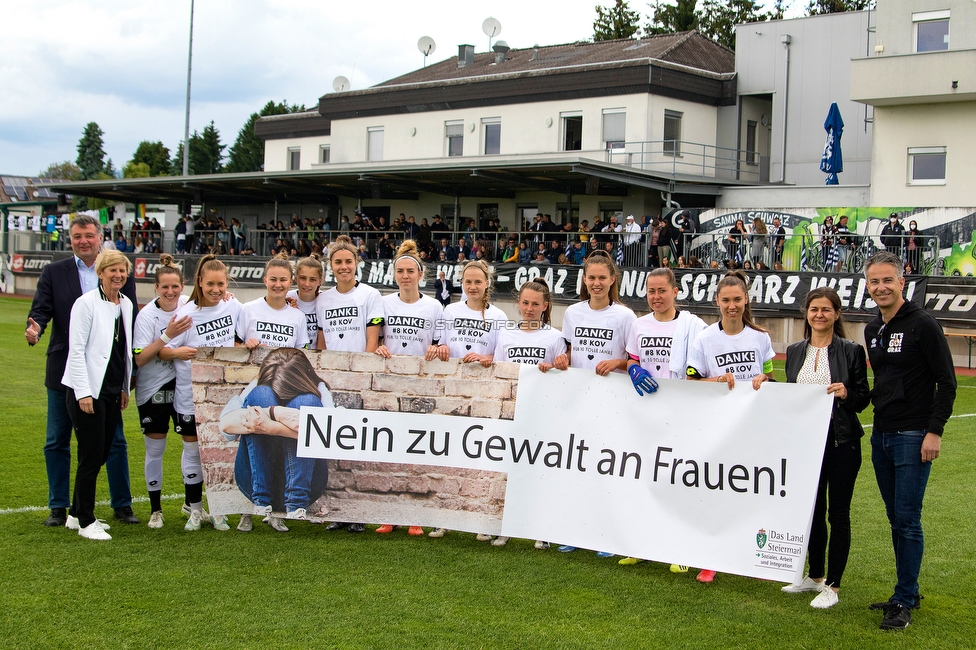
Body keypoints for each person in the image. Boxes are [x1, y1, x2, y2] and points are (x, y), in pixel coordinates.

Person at [862, 251, 956, 630]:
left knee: (907, 519)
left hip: (914, 435)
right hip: (881, 435)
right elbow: (883, 384)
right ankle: (907, 591)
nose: (881, 287)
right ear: (867, 287)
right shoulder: (872, 330)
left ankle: (903, 601)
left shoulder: (923, 324)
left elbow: (947, 383)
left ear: (902, 282)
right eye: (874, 281)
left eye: (888, 280)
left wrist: (934, 431)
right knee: (893, 518)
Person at [26, 214, 139, 527]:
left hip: (106, 377)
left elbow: (129, 326)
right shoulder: (54, 272)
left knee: (112, 442)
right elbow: (41, 310)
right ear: (71, 239)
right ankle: (59, 507)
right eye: (77, 236)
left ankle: (122, 505)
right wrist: (34, 328)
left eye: (88, 235)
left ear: (99, 237)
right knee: (56, 440)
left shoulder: (118, 271)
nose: (83, 241)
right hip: (65, 368)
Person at [775, 287, 869, 608]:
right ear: (807, 313)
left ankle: (833, 585)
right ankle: (814, 576)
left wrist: (846, 392)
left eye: (826, 310)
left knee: (838, 514)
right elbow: (791, 397)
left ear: (836, 314)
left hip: (842, 443)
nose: (819, 315)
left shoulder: (851, 351)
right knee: (812, 513)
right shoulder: (795, 350)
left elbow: (863, 400)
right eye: (814, 309)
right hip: (805, 445)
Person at [685, 270, 775, 582]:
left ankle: (754, 557)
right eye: (726, 300)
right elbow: (691, 381)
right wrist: (716, 380)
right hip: (717, 427)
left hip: (753, 426)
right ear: (717, 302)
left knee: (754, 491)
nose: (732, 305)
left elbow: (771, 378)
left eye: (737, 299)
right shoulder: (705, 338)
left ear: (746, 299)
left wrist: (766, 379)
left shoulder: (761, 337)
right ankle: (710, 559)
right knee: (716, 491)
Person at [618, 267, 707, 568]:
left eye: (662, 291)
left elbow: (702, 366)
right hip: (646, 411)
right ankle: (642, 544)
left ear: (675, 292)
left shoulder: (693, 326)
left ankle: (680, 550)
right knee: (645, 478)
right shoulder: (639, 325)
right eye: (651, 291)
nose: (656, 297)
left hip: (681, 412)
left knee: (679, 479)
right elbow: (632, 357)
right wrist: (633, 368)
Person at [555, 249, 636, 555]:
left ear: (613, 279)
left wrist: (617, 362)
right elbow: (570, 350)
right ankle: (576, 532)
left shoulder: (625, 316)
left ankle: (607, 536)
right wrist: (564, 358)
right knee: (578, 468)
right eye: (592, 277)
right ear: (585, 279)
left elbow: (633, 360)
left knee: (609, 469)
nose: (597, 283)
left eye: (602, 277)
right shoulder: (574, 313)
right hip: (580, 402)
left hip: (614, 402)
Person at [163, 255, 243, 531]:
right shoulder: (185, 315)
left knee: (221, 452)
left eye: (221, 284)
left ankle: (219, 508)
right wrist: (175, 352)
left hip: (222, 397)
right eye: (210, 284)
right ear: (199, 282)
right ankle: (195, 509)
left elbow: (251, 327)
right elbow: (162, 350)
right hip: (189, 396)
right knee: (193, 452)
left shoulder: (233, 307)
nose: (216, 289)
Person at [60, 251, 135, 540]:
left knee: (101, 452)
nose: (118, 275)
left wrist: (123, 388)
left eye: (122, 271)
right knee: (91, 455)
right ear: (100, 273)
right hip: (87, 391)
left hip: (112, 392)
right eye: (112, 270)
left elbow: (121, 351)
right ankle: (86, 521)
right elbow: (76, 350)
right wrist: (83, 393)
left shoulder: (125, 304)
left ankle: (75, 514)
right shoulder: (85, 304)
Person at [432, 259, 509, 541]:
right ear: (462, 284)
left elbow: (502, 356)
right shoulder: (449, 310)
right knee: (448, 456)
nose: (473, 286)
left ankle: (481, 521)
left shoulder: (499, 316)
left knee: (481, 458)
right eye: (468, 282)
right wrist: (439, 348)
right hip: (452, 391)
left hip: (484, 394)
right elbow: (439, 343)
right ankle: (445, 519)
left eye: (478, 281)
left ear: (487, 283)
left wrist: (488, 358)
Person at [374, 240, 445, 538]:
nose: (405, 276)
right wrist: (379, 348)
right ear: (394, 275)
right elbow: (375, 337)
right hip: (390, 385)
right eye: (400, 271)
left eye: (410, 271)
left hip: (420, 386)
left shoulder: (434, 306)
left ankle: (415, 515)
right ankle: (389, 515)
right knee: (388, 449)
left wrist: (436, 350)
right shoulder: (383, 303)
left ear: (420, 274)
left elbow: (441, 346)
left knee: (416, 451)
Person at [492, 278, 568, 549]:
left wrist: (557, 366)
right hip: (513, 411)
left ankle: (541, 529)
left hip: (542, 413)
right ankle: (507, 526)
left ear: (545, 306)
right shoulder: (506, 335)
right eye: (525, 302)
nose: (529, 308)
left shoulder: (554, 337)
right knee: (511, 471)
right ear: (518, 304)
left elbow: (563, 374)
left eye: (535, 304)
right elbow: (499, 373)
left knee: (540, 471)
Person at [220, 349, 332, 532]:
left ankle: (296, 503)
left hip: (307, 486)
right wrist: (276, 412)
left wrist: (271, 427)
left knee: (308, 401)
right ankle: (261, 501)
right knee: (261, 395)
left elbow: (329, 437)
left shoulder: (318, 389)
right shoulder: (258, 385)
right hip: (255, 484)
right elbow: (226, 427)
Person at [316, 235, 383, 534]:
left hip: (357, 380)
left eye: (348, 261)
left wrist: (360, 377)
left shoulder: (370, 295)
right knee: (332, 447)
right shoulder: (323, 298)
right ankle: (338, 510)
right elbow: (320, 342)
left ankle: (359, 511)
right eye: (338, 262)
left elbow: (373, 339)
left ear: (357, 264)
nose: (343, 267)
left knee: (358, 447)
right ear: (330, 265)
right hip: (330, 381)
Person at [132, 255, 197, 529]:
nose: (170, 292)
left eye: (175, 286)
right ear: (156, 288)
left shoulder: (190, 307)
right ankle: (155, 510)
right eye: (164, 287)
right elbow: (140, 358)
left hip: (184, 387)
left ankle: (191, 504)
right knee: (155, 450)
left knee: (191, 447)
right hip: (153, 389)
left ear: (183, 286)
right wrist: (168, 337)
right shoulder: (146, 316)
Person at [287, 254, 325, 349]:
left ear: (320, 281)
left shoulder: (326, 300)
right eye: (303, 278)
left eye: (312, 279)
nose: (307, 284)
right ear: (296, 278)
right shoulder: (287, 298)